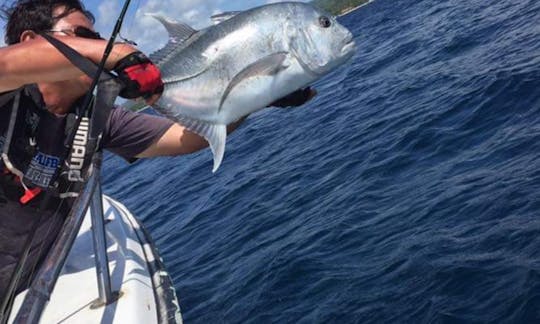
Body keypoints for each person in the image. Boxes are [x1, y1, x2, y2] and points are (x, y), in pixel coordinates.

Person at [0, 0, 315, 307]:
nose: (98, 46)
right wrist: (119, 54)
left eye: (99, 39)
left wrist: (256, 97)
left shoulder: (98, 118)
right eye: (83, 36)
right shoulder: (7, 94)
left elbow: (184, 138)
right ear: (32, 41)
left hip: (30, 284)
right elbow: (6, 64)